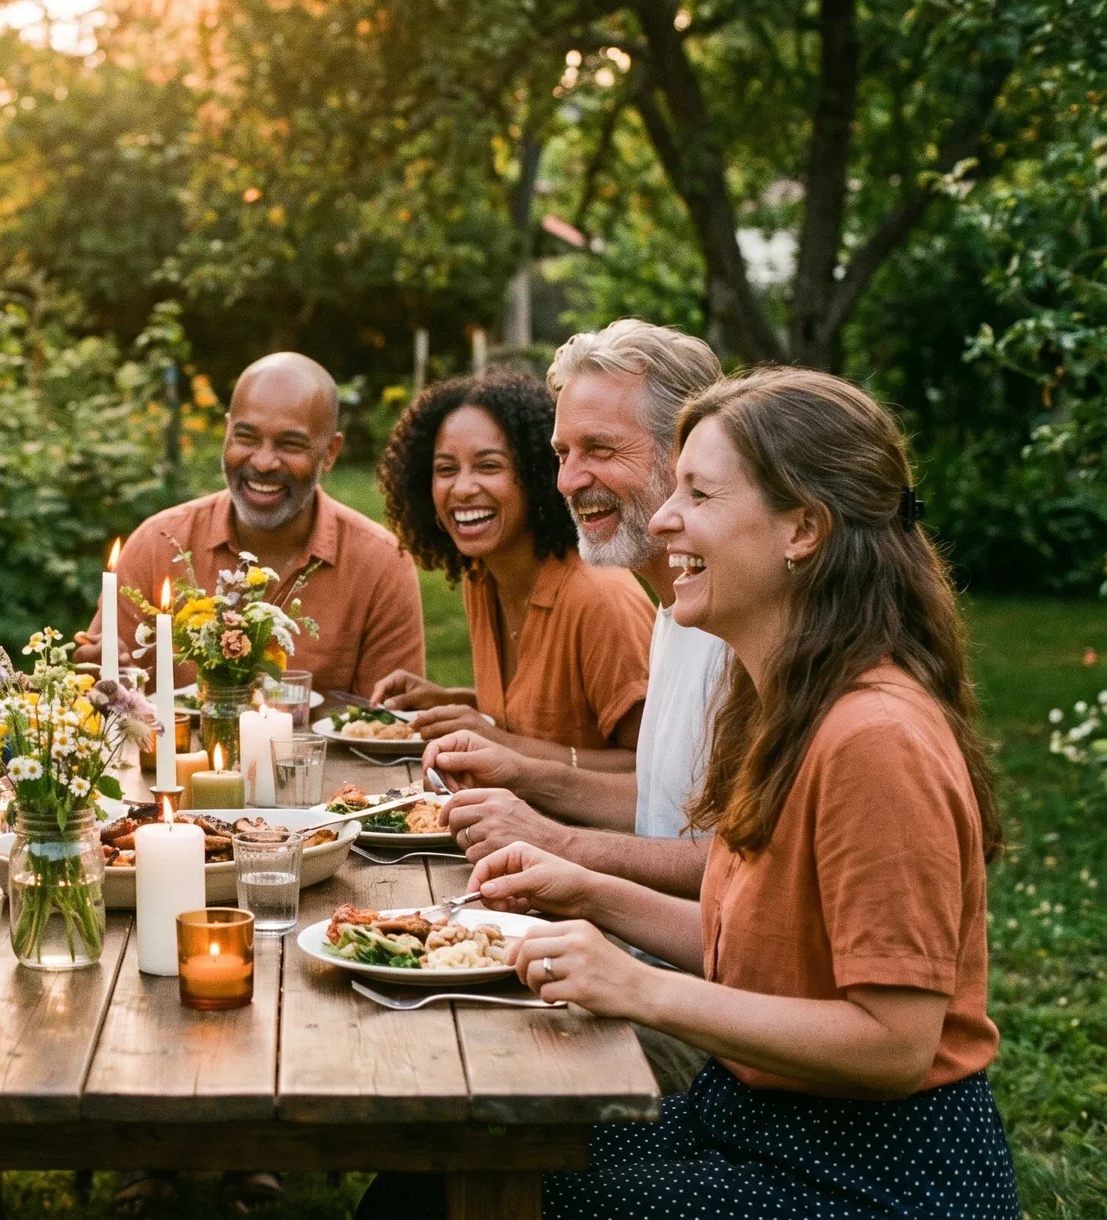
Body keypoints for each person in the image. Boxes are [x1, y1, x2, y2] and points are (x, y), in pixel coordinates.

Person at [361, 368, 1018, 1218]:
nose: (665, 518)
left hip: (866, 1170)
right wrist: (584, 891)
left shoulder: (874, 738)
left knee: (470, 1201)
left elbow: (895, 1044)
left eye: (699, 494)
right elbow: (758, 946)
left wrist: (638, 987)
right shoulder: (782, 700)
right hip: (755, 1118)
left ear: (804, 529)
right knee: (431, 1177)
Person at [418, 322, 730, 898]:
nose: (566, 481)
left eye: (600, 450)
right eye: (562, 453)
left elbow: (741, 868)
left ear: (687, 453)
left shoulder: (738, 628)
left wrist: (556, 841)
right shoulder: (677, 605)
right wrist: (522, 772)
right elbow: (663, 802)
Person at [372, 370, 654, 800]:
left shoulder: (601, 599)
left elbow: (651, 767)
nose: (462, 488)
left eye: (489, 466)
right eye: (445, 469)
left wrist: (497, 741)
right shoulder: (483, 575)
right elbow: (546, 719)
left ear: (537, 474)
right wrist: (452, 702)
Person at [77, 351, 424, 697]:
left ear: (330, 452)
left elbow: (391, 720)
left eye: (290, 445)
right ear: (227, 432)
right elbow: (100, 695)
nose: (263, 462)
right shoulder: (159, 543)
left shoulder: (381, 565)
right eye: (246, 438)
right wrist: (99, 672)